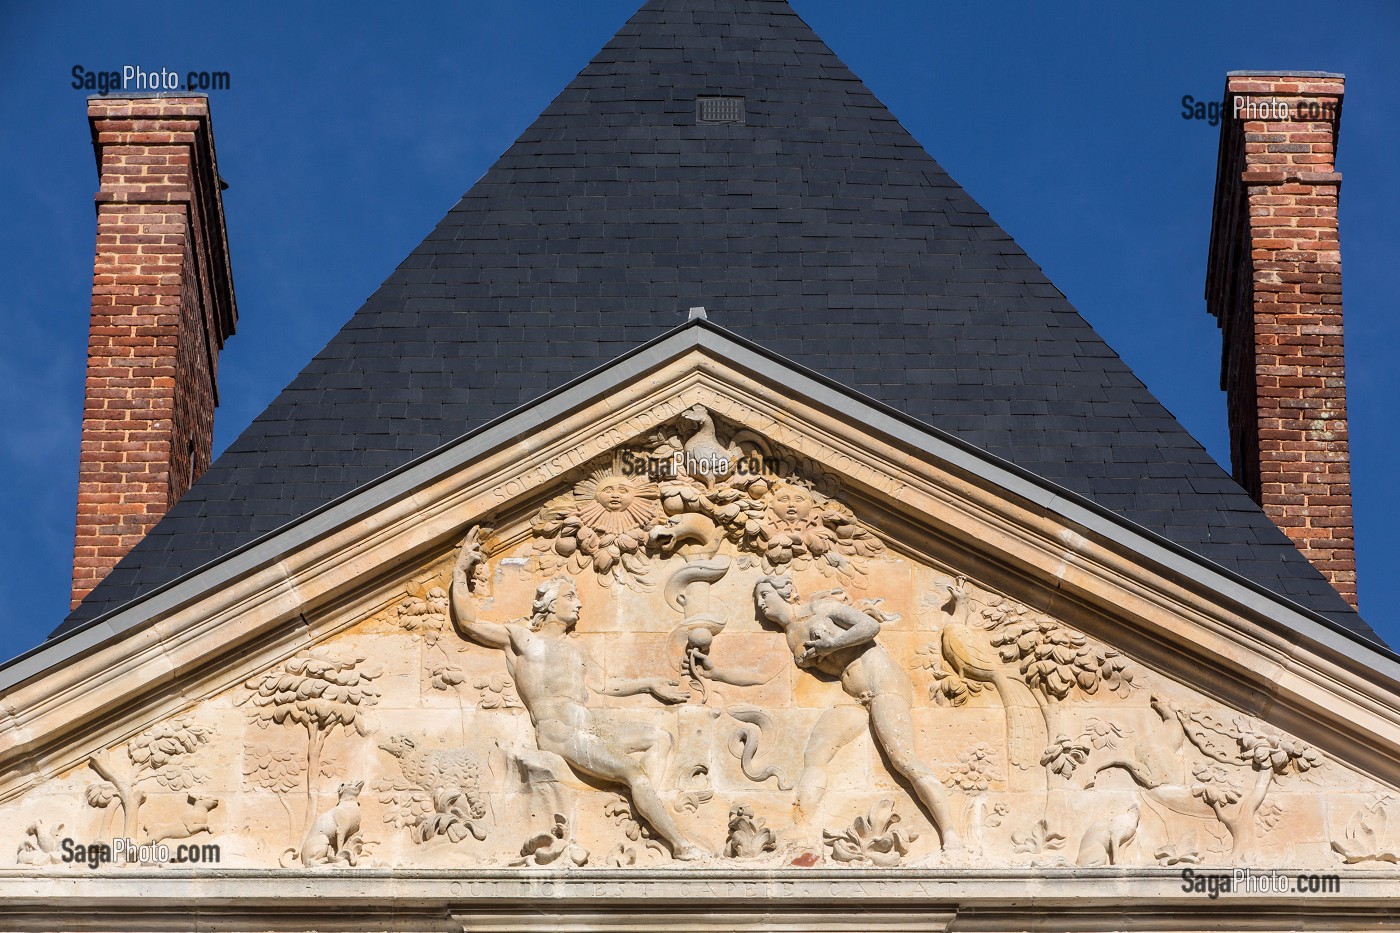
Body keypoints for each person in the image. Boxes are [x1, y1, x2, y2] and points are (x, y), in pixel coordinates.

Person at [449, 526, 708, 860]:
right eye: (570, 598)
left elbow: (606, 686)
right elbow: (470, 623)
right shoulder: (522, 640)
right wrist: (460, 571)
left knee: (660, 738)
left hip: (590, 728)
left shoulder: (578, 650)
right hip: (559, 731)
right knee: (632, 771)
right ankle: (679, 843)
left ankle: (647, 809)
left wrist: (649, 685)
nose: (579, 605)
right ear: (548, 604)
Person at [753, 574, 962, 853]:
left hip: (882, 682)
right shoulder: (792, 637)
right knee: (816, 752)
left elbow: (869, 625)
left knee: (904, 759)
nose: (761, 604)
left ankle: (951, 833)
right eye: (757, 600)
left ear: (786, 593)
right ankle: (803, 829)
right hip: (854, 694)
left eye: (765, 595)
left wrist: (831, 645)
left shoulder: (819, 609)